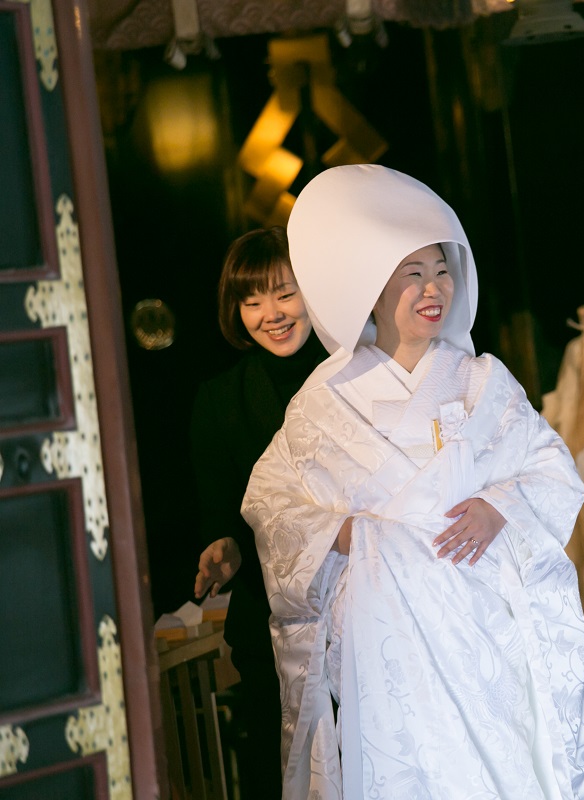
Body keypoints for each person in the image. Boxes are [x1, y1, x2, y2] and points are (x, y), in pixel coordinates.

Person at [241, 164, 584, 799]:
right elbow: (270, 500)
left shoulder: (482, 381)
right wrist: (337, 533)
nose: (432, 288)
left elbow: (553, 469)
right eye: (411, 274)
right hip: (385, 636)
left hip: (481, 623)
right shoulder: (324, 400)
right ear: (372, 289)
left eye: (443, 271)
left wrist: (500, 506)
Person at [190, 226, 327, 799]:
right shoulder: (219, 399)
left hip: (361, 610)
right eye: (251, 301)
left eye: (285, 293)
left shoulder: (355, 373)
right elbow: (221, 515)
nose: (271, 314)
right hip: (269, 625)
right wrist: (222, 547)